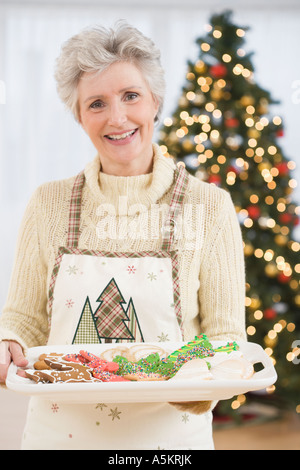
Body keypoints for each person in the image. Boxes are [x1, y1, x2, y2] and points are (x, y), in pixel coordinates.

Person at [0, 21, 246, 450]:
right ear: (79, 116)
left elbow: (226, 338)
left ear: (155, 101)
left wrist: (194, 383)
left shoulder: (209, 207)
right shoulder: (48, 203)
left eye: (130, 96)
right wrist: (10, 342)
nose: (117, 118)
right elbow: (24, 319)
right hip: (59, 436)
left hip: (169, 441)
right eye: (96, 103)